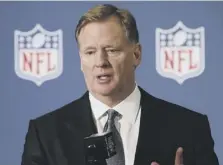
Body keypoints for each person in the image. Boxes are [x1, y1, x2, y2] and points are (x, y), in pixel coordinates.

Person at [21, 4, 219, 165]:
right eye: (90, 52)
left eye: (112, 50)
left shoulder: (189, 128)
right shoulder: (45, 134)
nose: (101, 61)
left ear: (136, 54)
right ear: (81, 60)